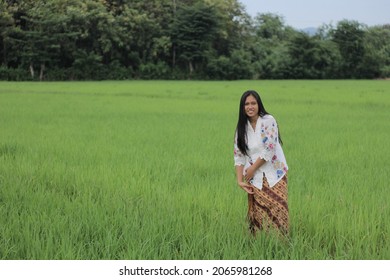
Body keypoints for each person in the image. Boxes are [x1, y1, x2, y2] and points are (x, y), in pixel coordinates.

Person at [233, 90, 289, 236]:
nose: (250, 106)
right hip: (255, 179)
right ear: (242, 107)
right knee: (259, 215)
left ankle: (282, 248)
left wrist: (251, 168)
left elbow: (269, 149)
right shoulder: (241, 129)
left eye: (253, 103)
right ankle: (261, 247)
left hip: (274, 174)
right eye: (246, 104)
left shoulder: (268, 121)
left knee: (278, 210)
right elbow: (238, 155)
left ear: (259, 105)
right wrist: (240, 180)